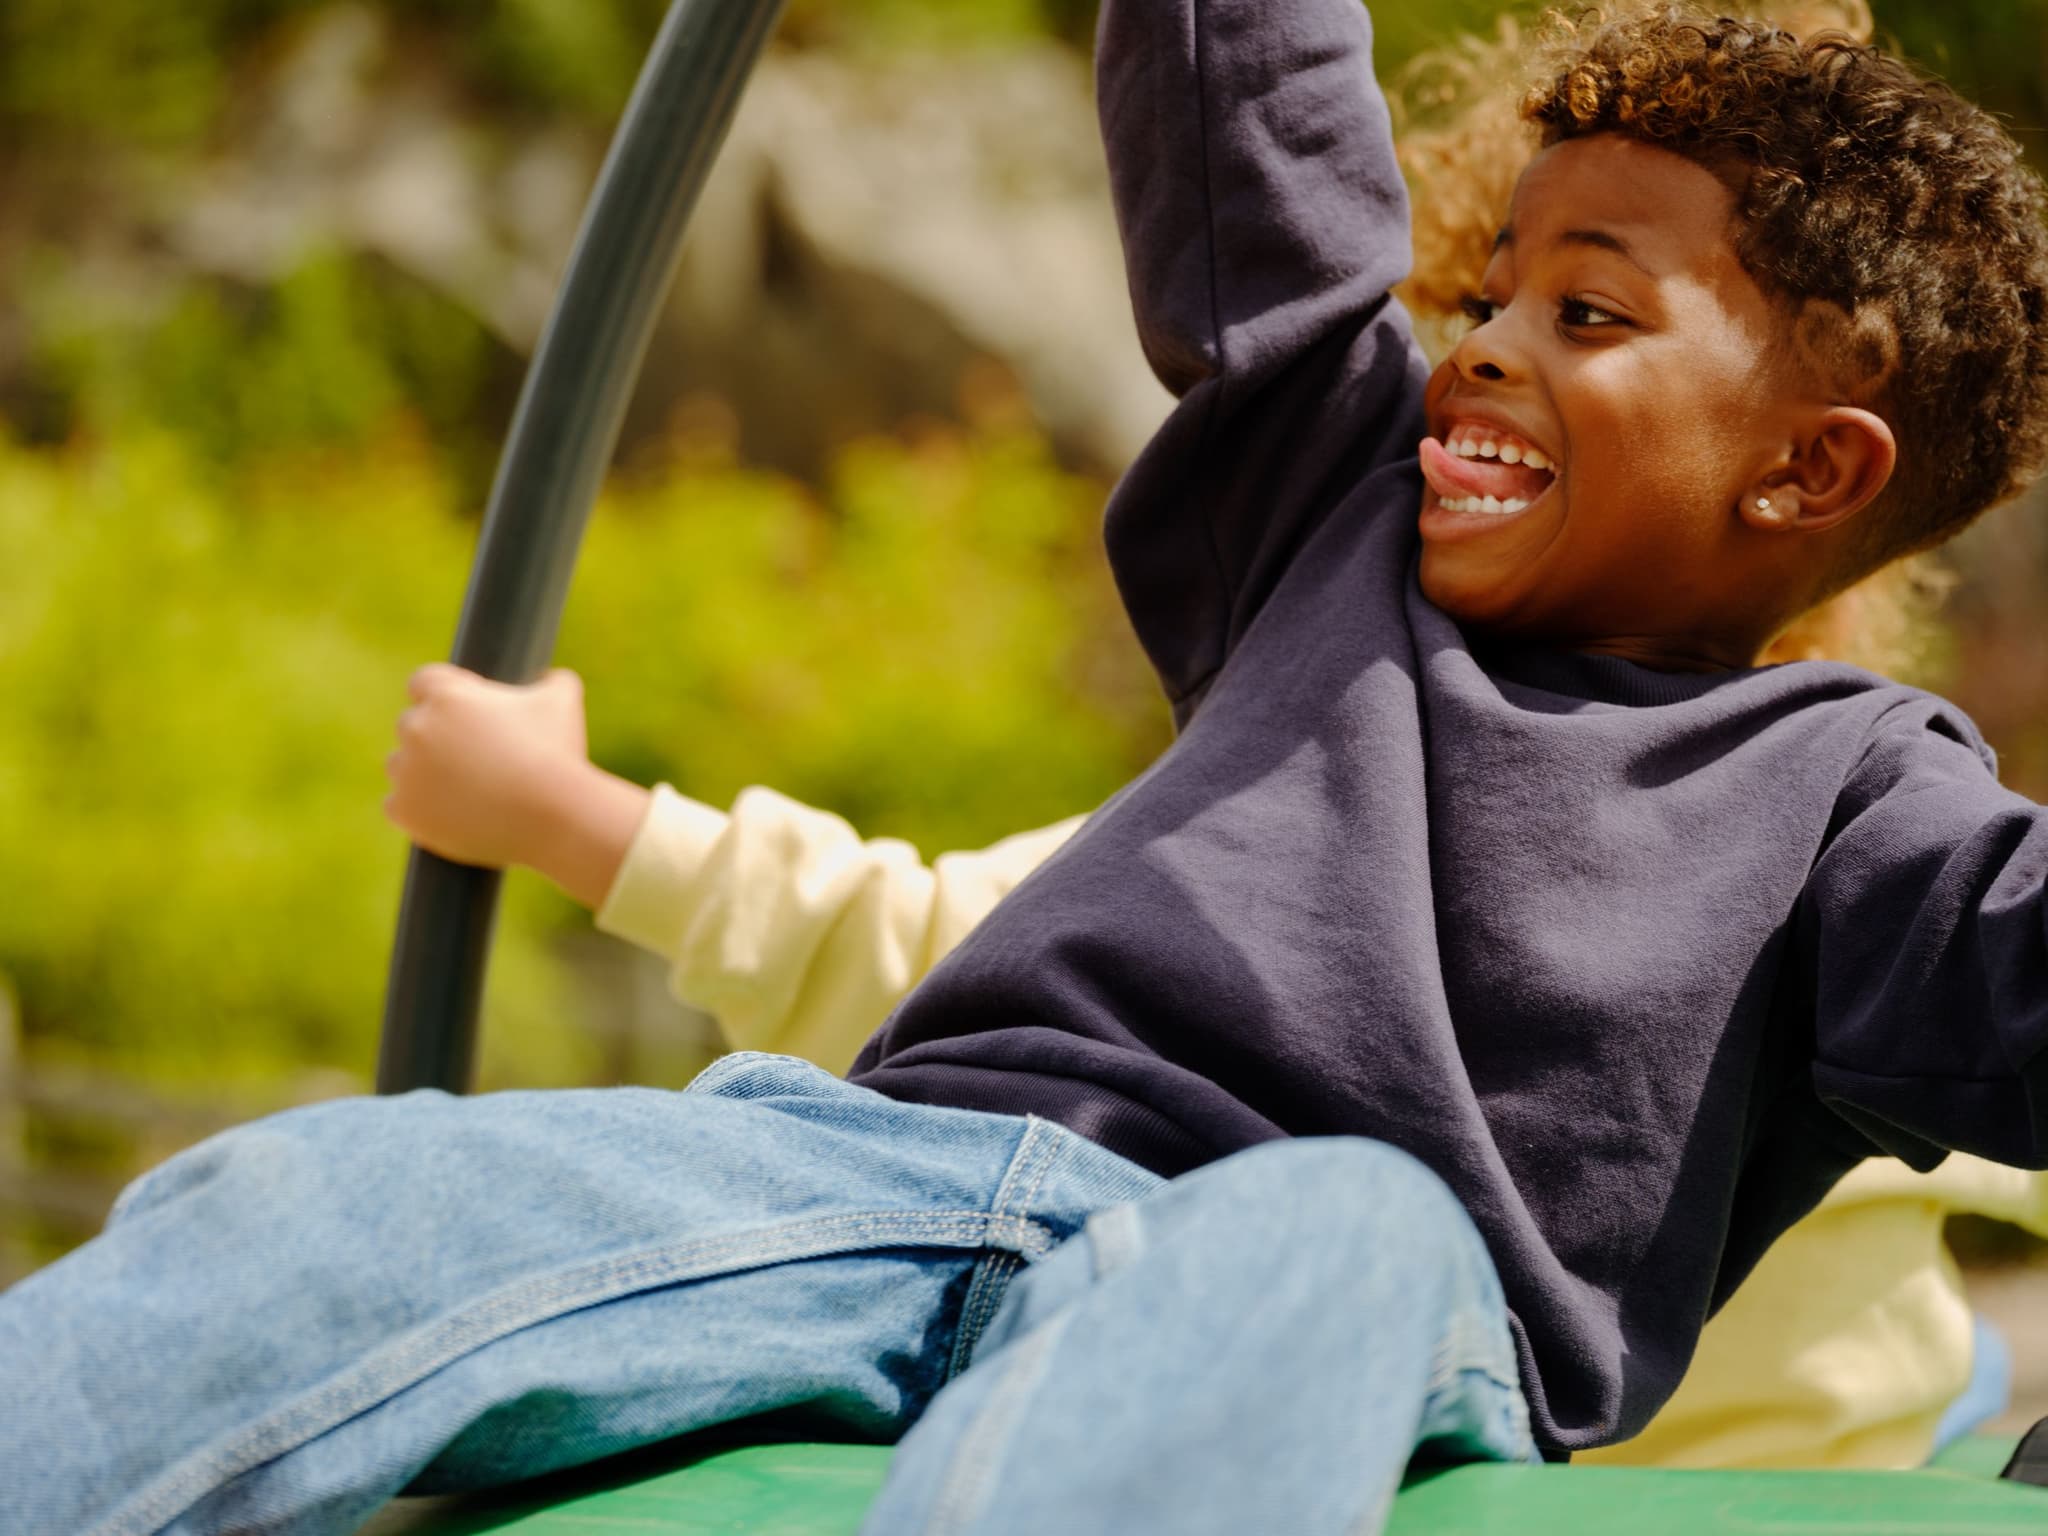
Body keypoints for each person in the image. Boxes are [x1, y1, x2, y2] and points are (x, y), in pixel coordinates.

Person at [9, 2, 2048, 1533]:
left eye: (1584, 308)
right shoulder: (1330, 523)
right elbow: (1242, 109)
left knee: (1323, 1236)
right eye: (1489, 284)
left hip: (1362, 1256)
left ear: (1809, 471)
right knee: (338, 1195)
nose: (1487, 339)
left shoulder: (1853, 802)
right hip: (885, 1168)